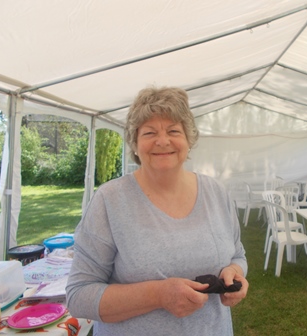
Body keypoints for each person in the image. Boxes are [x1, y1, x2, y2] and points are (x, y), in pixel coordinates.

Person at [66, 86, 249, 335]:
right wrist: (158, 295)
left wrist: (235, 273)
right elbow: (79, 296)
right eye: (150, 132)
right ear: (135, 142)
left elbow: (238, 254)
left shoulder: (216, 192)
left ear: (188, 139)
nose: (163, 141)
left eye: (173, 130)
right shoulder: (110, 200)